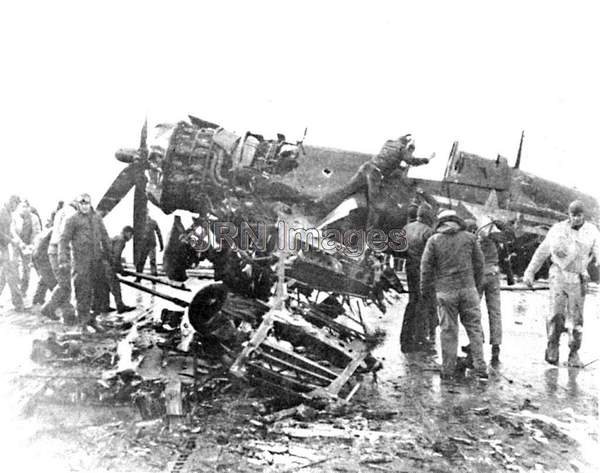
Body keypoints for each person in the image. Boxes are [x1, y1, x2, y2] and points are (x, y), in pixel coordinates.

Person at [523, 200, 600, 367]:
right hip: (559, 272)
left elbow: (598, 253)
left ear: (584, 216)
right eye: (573, 216)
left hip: (579, 276)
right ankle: (552, 346)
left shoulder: (592, 232)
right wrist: (530, 272)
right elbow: (542, 251)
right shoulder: (557, 229)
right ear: (568, 215)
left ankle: (573, 353)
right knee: (556, 313)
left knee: (577, 320)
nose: (576, 219)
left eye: (579, 216)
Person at [420, 209, 488, 379]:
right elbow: (480, 265)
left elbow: (425, 269)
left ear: (440, 222)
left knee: (448, 330)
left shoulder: (434, 240)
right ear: (457, 221)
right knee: (474, 328)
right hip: (468, 289)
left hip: (445, 291)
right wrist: (476, 287)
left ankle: (448, 370)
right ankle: (480, 368)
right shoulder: (470, 238)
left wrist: (425, 291)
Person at [318, 134, 431, 230]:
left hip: (366, 167)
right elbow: (411, 160)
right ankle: (369, 232)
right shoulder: (402, 149)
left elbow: (391, 160)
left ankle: (320, 205)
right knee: (375, 204)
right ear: (407, 145)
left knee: (346, 190)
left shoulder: (389, 142)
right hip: (375, 174)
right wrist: (426, 159)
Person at [58, 193, 112, 331]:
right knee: (83, 292)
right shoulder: (72, 220)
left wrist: (111, 257)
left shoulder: (97, 218)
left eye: (87, 203)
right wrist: (63, 259)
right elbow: (63, 240)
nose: (85, 206)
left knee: (100, 292)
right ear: (78, 204)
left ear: (90, 203)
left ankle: (93, 319)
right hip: (81, 262)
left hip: (96, 261)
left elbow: (105, 237)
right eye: (82, 203)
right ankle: (83, 323)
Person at [464, 218, 515, 365]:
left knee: (474, 310)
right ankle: (496, 346)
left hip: (478, 277)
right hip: (493, 275)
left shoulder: (472, 239)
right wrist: (501, 223)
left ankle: (477, 340)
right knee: (495, 312)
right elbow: (510, 236)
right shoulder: (494, 237)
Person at [400, 203, 436, 352]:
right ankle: (420, 338)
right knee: (423, 304)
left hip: (409, 267)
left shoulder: (407, 228)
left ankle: (406, 336)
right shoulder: (428, 232)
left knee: (412, 301)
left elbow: (399, 248)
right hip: (423, 269)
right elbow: (433, 255)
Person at [41, 199, 78, 322]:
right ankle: (49, 308)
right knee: (65, 285)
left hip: (53, 249)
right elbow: (65, 234)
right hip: (61, 250)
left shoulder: (61, 211)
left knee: (64, 283)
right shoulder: (71, 212)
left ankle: (68, 316)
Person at [11, 200, 41, 296]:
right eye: (23, 206)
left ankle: (23, 290)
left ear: (29, 208)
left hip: (28, 246)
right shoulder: (14, 217)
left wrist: (32, 244)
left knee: (26, 268)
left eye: (26, 207)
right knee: (14, 265)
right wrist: (20, 243)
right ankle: (15, 288)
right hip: (16, 245)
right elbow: (12, 232)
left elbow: (37, 232)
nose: (24, 209)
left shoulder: (34, 218)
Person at [0, 195, 25, 311]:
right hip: (2, 248)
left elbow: (8, 231)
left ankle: (18, 303)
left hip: (4, 248)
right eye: (16, 204)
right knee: (10, 274)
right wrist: (11, 241)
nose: (16, 207)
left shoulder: (8, 213)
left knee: (4, 276)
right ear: (11, 202)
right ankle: (18, 304)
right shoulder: (2, 212)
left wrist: (16, 241)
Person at [105, 225, 136, 314]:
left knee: (105, 286)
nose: (131, 238)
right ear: (127, 232)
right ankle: (120, 306)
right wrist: (120, 269)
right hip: (107, 264)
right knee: (115, 285)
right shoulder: (121, 240)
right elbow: (116, 256)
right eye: (131, 235)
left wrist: (119, 268)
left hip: (101, 263)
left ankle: (104, 306)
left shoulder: (116, 238)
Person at [31, 227, 57, 306]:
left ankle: (38, 299)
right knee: (51, 280)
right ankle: (60, 303)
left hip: (38, 254)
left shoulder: (51, 230)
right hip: (42, 255)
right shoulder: (56, 230)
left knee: (45, 277)